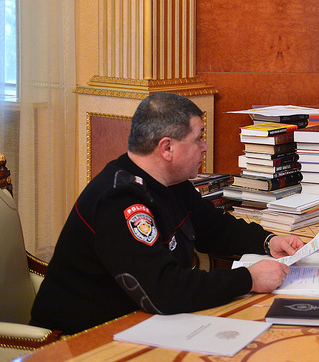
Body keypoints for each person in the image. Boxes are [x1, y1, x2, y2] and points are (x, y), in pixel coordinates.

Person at [31, 92, 304, 334]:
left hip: (139, 324)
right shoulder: (119, 200)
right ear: (167, 148)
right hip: (79, 340)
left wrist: (268, 241)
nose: (205, 146)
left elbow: (214, 228)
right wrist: (249, 279)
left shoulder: (170, 182)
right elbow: (163, 290)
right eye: (198, 138)